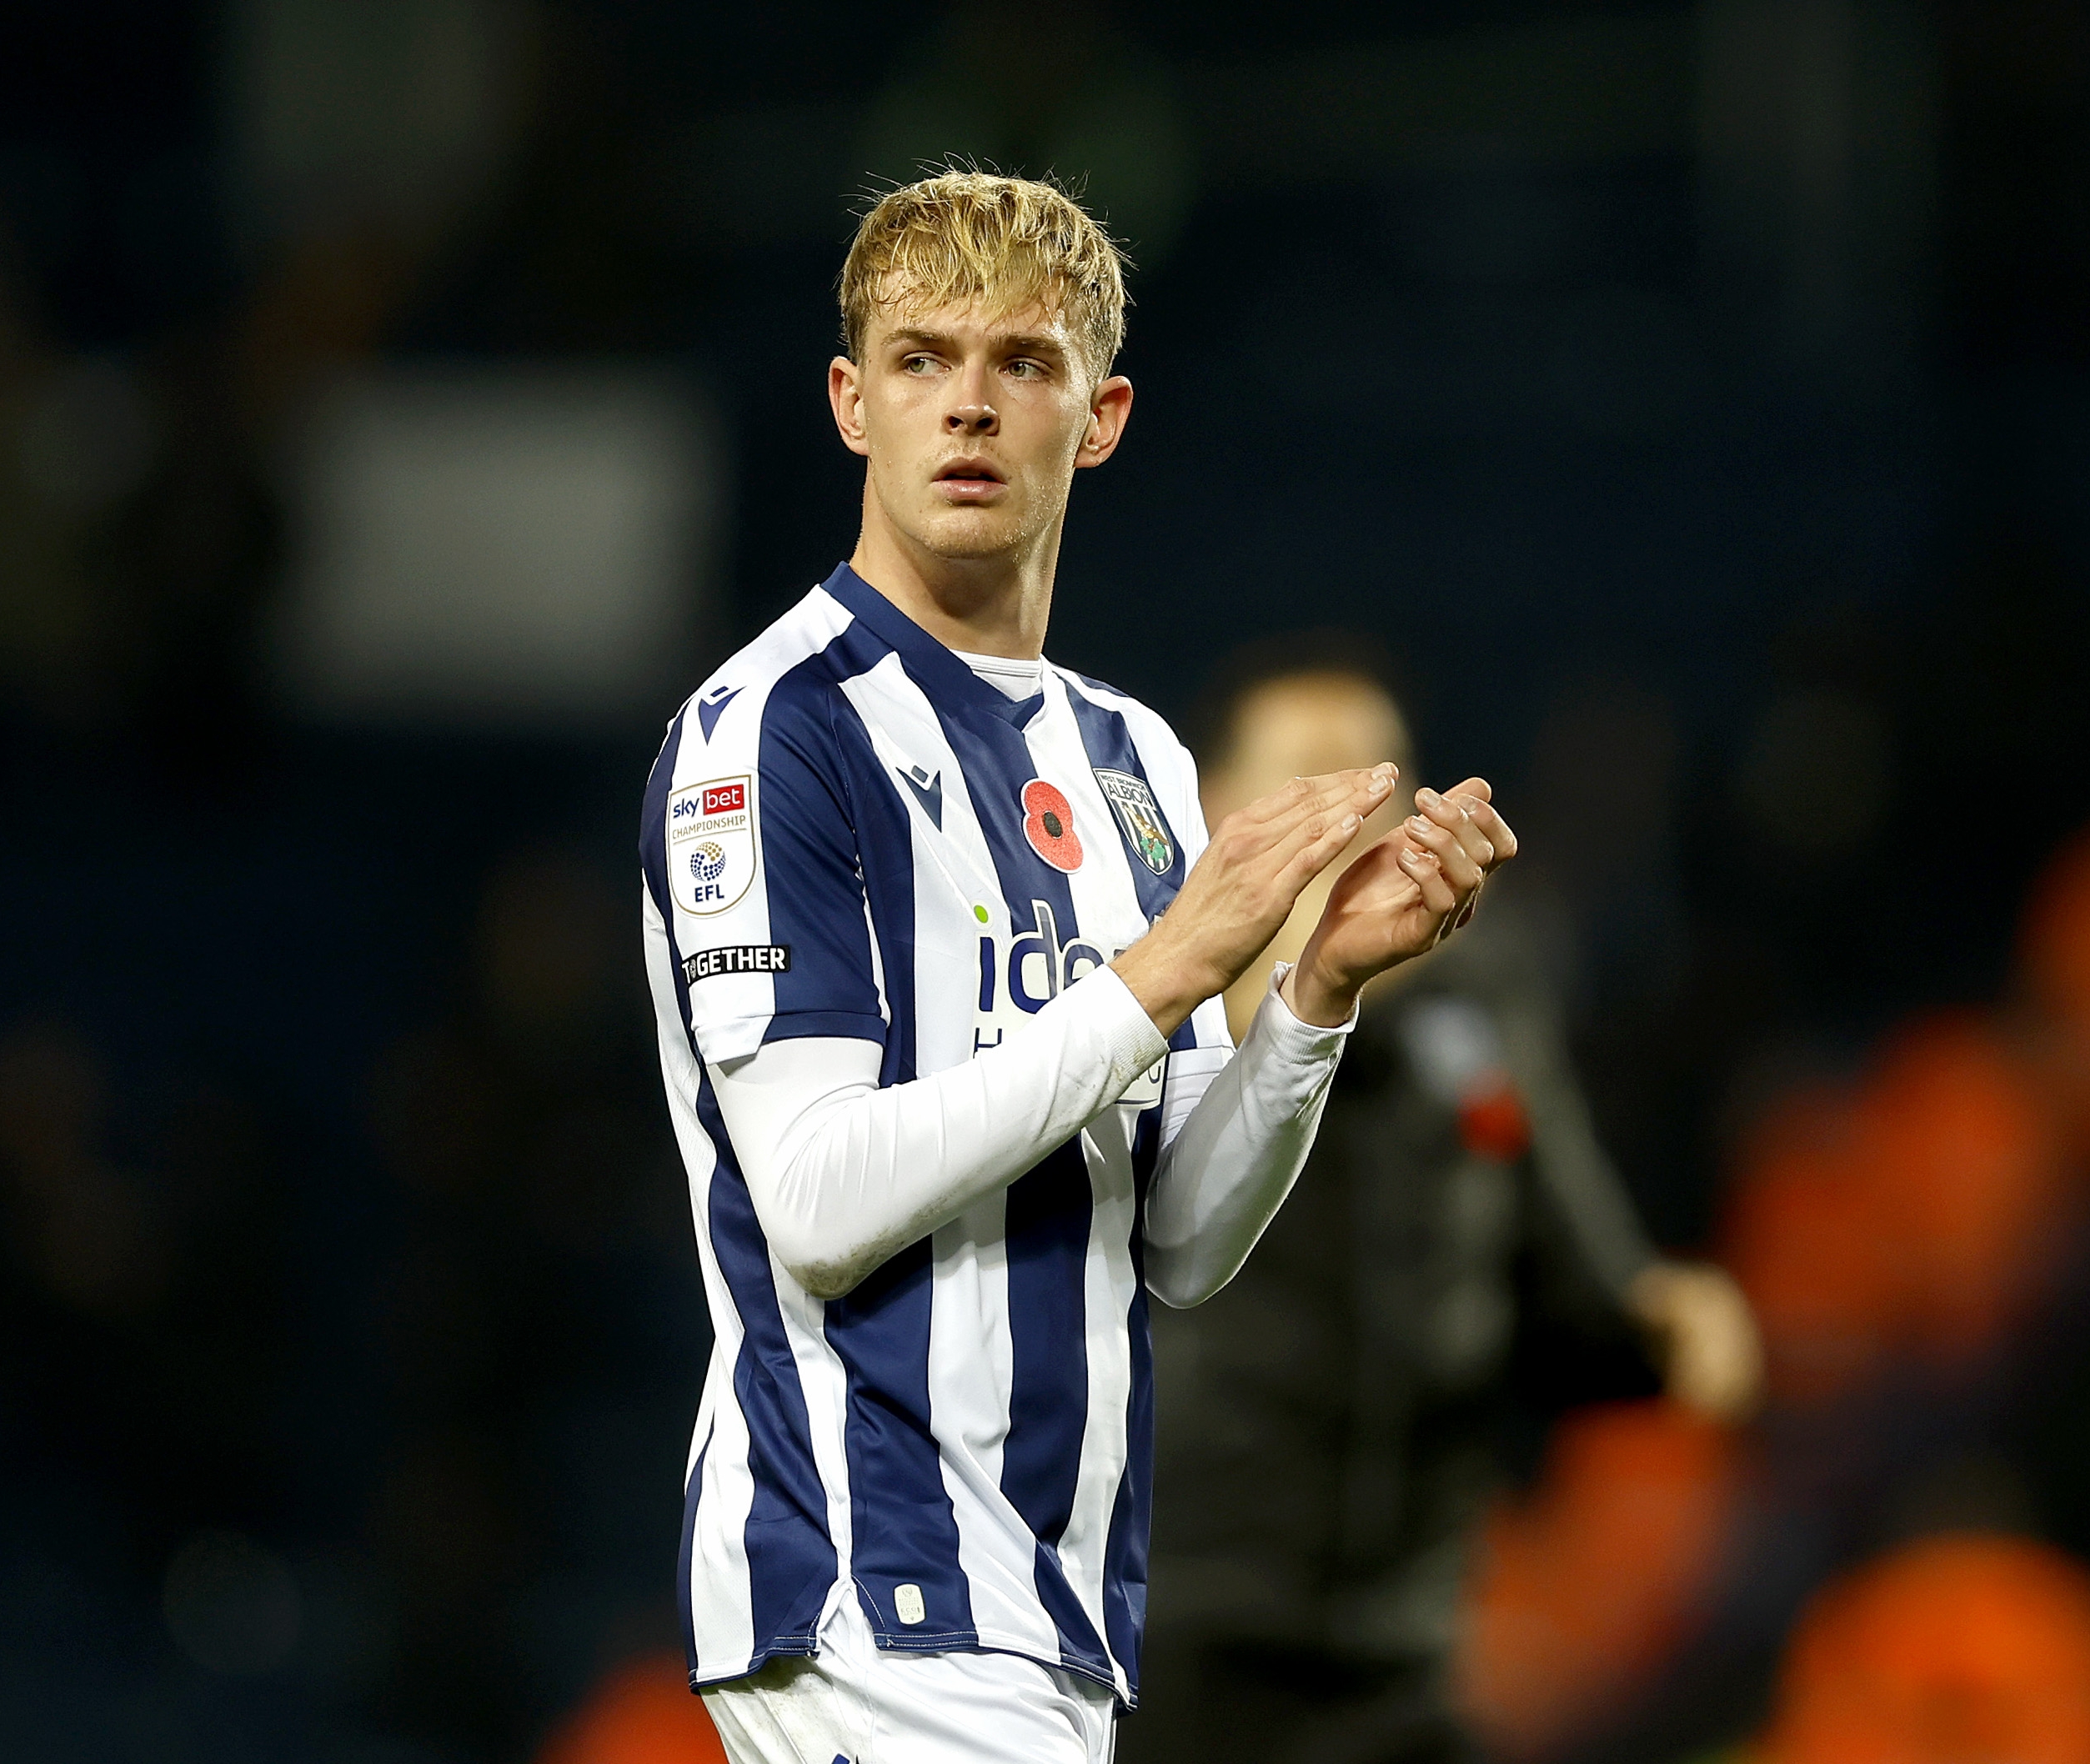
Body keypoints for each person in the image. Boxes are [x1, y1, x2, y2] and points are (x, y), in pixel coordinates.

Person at [634, 171, 1517, 1764]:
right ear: (850, 402)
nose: (966, 407)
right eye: (918, 360)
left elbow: (1178, 1238)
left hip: (1055, 1610)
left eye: (1020, 364)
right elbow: (819, 1202)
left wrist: (1316, 991)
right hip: (868, 1583)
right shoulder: (774, 736)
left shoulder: (1133, 762)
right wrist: (1173, 963)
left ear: (1098, 416)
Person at [1125, 656, 1762, 1764]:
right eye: (1304, 782)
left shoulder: (1476, 1015)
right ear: (1212, 809)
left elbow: (1563, 1279)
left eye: (1374, 780)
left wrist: (1654, 1324)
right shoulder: (1132, 1012)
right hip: (1170, 1631)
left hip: (1399, 1645)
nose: (1348, 816)